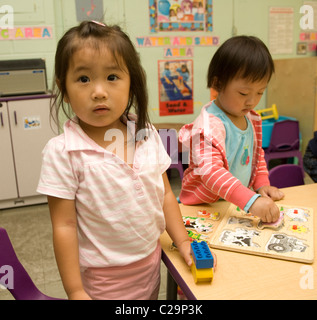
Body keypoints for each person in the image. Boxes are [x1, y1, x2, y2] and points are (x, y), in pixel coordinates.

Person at [37, 21, 192, 300]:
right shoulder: (63, 152)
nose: (99, 91)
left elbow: (166, 195)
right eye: (83, 79)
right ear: (64, 87)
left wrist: (182, 240)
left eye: (112, 77)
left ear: (131, 80)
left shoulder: (146, 133)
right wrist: (75, 291)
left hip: (150, 263)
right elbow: (64, 226)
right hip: (102, 280)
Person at [179, 35, 284, 223]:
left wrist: (262, 185)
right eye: (243, 93)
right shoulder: (209, 126)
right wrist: (251, 202)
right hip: (203, 208)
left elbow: (256, 155)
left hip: (232, 205)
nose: (252, 101)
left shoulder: (250, 118)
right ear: (218, 84)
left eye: (260, 92)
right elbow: (211, 173)